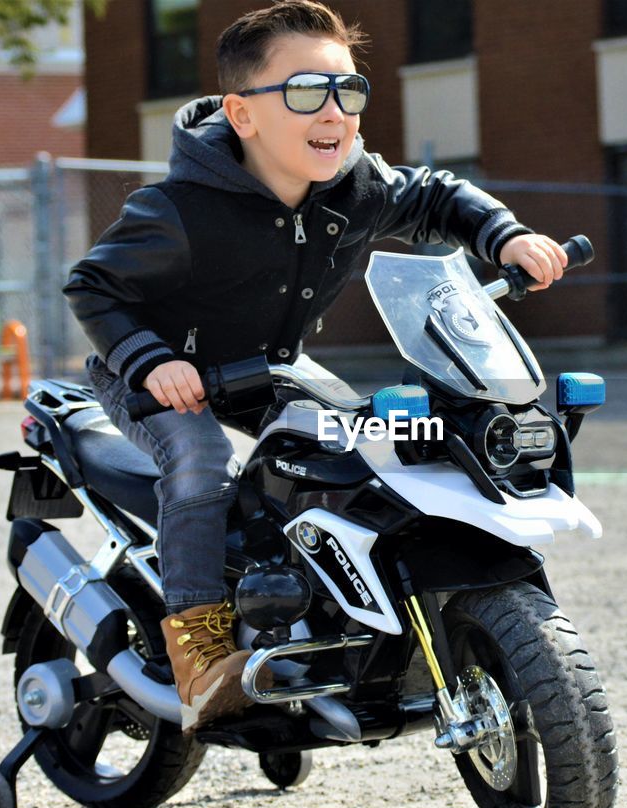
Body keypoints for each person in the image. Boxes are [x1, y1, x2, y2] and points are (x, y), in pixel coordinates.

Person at [63, 0, 568, 732]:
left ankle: (313, 609)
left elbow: (434, 196)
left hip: (267, 365)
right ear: (242, 114)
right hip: (158, 372)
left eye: (348, 91)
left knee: (362, 439)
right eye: (305, 92)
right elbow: (93, 286)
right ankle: (199, 651)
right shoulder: (179, 210)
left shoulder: (355, 188)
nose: (334, 111)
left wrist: (505, 234)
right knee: (200, 457)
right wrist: (150, 360)